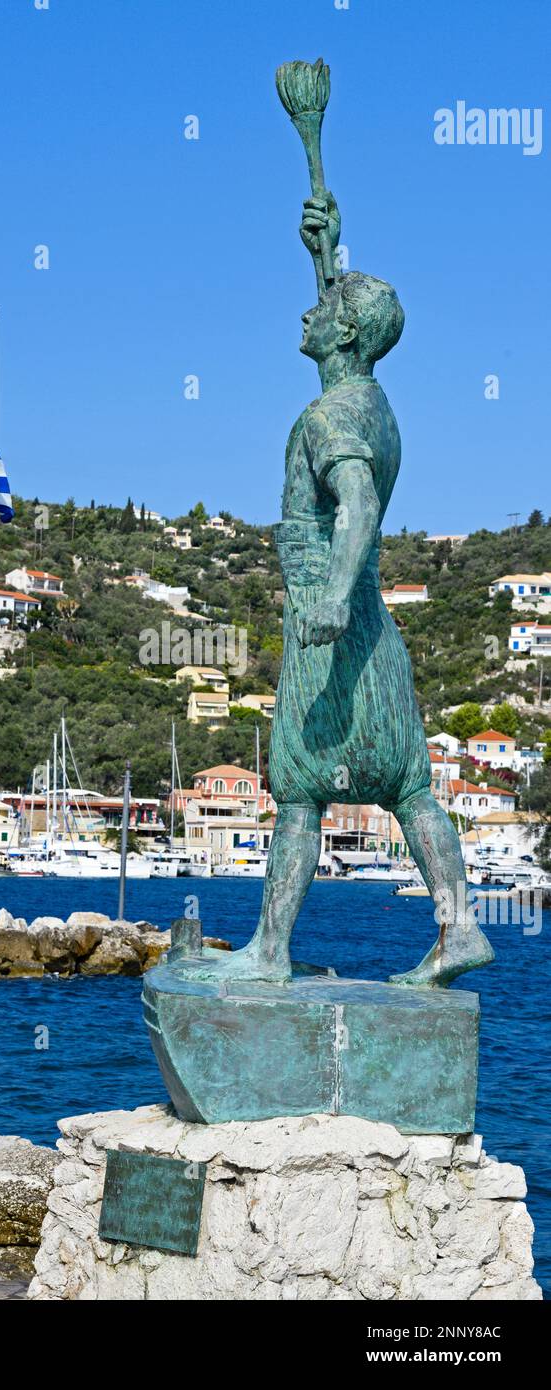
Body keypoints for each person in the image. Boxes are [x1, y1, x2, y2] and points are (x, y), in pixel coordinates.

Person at [207, 195, 494, 987]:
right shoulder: (372, 400)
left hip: (329, 623)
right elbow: (344, 308)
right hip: (375, 635)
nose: (308, 309)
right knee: (409, 785)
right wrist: (329, 247)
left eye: (323, 306)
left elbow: (358, 502)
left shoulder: (329, 413)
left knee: (298, 791)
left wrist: (330, 596)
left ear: (342, 332)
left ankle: (270, 951)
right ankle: (459, 927)